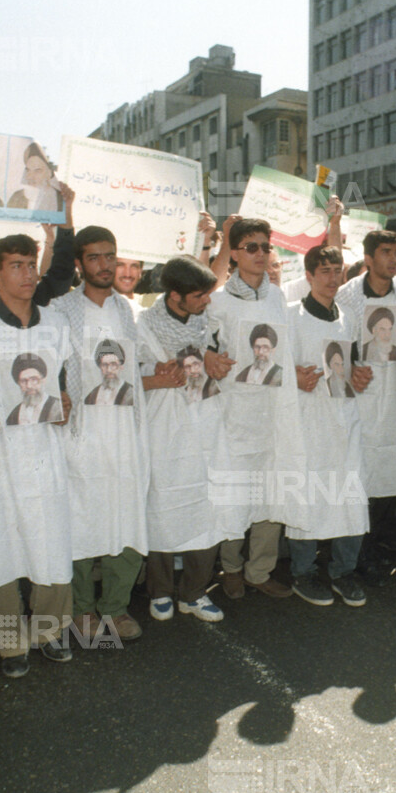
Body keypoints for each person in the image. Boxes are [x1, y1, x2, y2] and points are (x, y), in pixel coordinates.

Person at [0, 233, 74, 677]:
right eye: (17, 266)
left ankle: (49, 631)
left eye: (31, 264)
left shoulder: (55, 324)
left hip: (43, 448)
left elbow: (60, 383)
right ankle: (9, 645)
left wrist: (65, 404)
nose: (28, 273)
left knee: (51, 541)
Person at [53, 226, 151, 641]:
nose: (105, 265)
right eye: (94, 257)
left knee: (125, 517)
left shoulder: (127, 310)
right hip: (82, 434)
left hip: (124, 431)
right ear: (79, 264)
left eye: (110, 256)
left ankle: (115, 606)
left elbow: (137, 367)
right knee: (80, 518)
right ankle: (82, 608)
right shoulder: (59, 309)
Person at [208, 217, 304, 599]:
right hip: (235, 412)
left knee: (271, 486)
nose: (261, 254)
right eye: (252, 247)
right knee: (236, 490)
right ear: (233, 253)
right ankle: (230, 567)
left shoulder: (278, 297)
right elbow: (204, 347)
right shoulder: (217, 301)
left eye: (266, 247)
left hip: (274, 409)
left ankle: (259, 569)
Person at [137, 255, 235, 623]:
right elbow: (132, 371)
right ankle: (160, 590)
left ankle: (194, 592)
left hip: (207, 422)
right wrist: (156, 373)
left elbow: (215, 359)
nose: (207, 300)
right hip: (165, 425)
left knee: (207, 505)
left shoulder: (206, 322)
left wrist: (216, 362)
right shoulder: (143, 324)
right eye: (198, 295)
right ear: (174, 295)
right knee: (164, 504)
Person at [334, 229, 396, 585]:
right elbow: (335, 344)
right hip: (360, 398)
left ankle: (375, 541)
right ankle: (358, 552)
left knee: (393, 477)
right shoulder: (347, 294)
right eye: (385, 252)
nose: (393, 259)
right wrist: (350, 368)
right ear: (368, 258)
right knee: (361, 478)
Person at [286, 245, 371, 605]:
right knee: (309, 493)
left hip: (343, 416)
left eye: (337, 270)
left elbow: (350, 366)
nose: (333, 278)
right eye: (324, 271)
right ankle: (303, 573)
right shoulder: (291, 316)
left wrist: (360, 375)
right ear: (308, 276)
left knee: (350, 493)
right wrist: (293, 377)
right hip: (307, 420)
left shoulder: (348, 316)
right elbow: (273, 369)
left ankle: (343, 571)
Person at [7, 142, 65, 212]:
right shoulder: (16, 197)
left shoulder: (62, 199)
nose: (30, 177)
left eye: (37, 171)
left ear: (49, 173)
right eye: (28, 170)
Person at [7, 353, 64, 424]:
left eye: (34, 379)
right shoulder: (14, 415)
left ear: (43, 380)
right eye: (23, 381)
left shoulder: (58, 407)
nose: (29, 386)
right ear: (18, 384)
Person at [84, 339, 136, 405]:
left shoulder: (131, 394)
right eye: (104, 365)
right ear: (100, 367)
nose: (109, 370)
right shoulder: (91, 397)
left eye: (113, 364)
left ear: (121, 366)